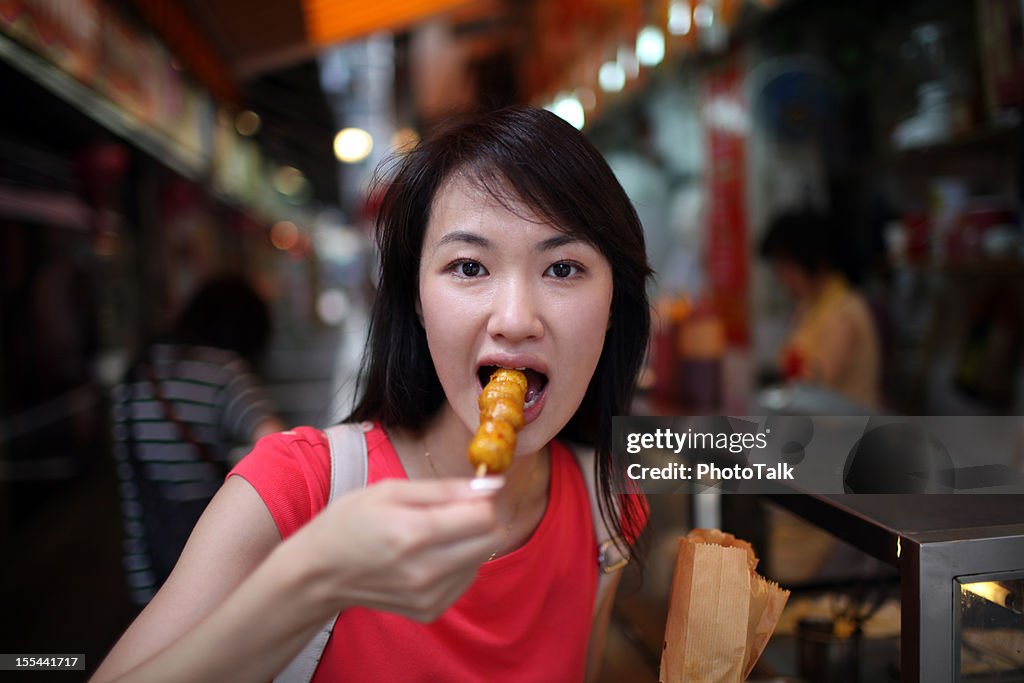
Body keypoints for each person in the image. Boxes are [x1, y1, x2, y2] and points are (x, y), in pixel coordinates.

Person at [92, 106, 652, 683]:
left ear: (614, 306)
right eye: (468, 266)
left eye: (562, 269)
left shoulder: (606, 509)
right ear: (414, 298)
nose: (515, 319)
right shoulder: (293, 490)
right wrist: (315, 581)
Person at [110, 275, 284, 606]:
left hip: (147, 566)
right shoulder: (223, 372)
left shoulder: (134, 377)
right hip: (215, 571)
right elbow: (275, 444)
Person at [759, 209, 881, 408]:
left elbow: (816, 385)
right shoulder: (809, 304)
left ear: (814, 262)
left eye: (786, 268)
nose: (782, 279)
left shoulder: (846, 312)